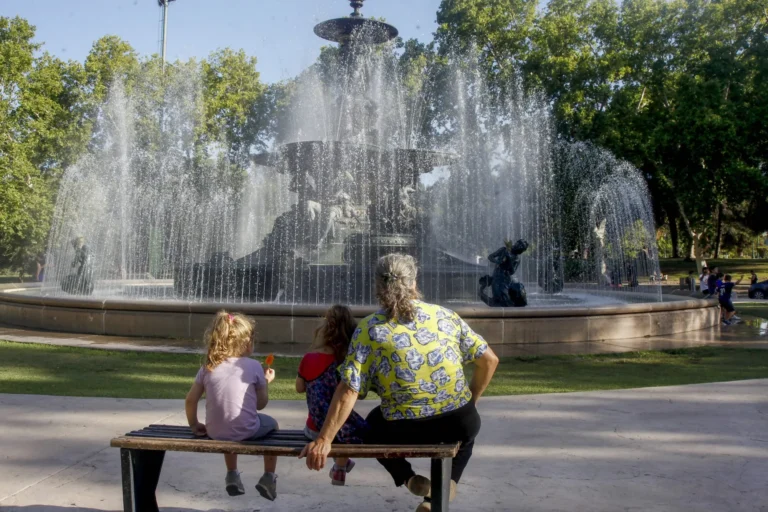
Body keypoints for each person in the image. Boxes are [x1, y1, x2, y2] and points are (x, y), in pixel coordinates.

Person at [300, 254, 500, 512]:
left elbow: (349, 389)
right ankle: (446, 487)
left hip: (404, 427)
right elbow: (490, 360)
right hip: (457, 420)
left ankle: (408, 478)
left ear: (378, 286)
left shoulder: (370, 329)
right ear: (414, 282)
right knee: (467, 432)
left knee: (370, 427)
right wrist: (470, 401)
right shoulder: (445, 316)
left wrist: (325, 439)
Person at [185, 311, 280, 500]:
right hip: (247, 430)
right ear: (245, 342)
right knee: (273, 426)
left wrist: (194, 425)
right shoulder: (253, 366)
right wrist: (265, 382)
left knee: (227, 425)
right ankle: (269, 477)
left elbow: (190, 400)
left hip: (214, 432)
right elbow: (261, 405)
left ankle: (232, 475)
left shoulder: (208, 366)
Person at [296, 304, 368, 486]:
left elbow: (299, 388)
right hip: (342, 431)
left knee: (337, 432)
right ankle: (340, 468)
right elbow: (357, 395)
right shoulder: (347, 362)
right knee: (347, 430)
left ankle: (342, 465)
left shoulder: (309, 358)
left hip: (313, 430)